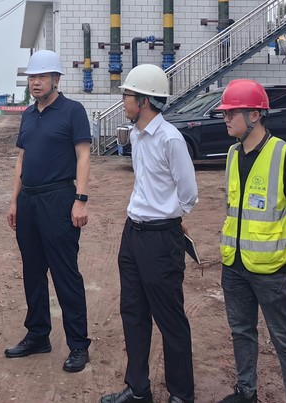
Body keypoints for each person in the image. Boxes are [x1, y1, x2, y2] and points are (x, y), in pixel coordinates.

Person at [100, 64, 198, 403]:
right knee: (133, 312)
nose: (123, 101)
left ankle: (181, 394)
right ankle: (138, 389)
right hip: (133, 234)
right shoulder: (137, 135)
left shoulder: (170, 139)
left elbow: (189, 193)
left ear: (143, 100)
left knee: (169, 318)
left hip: (160, 238)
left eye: (127, 95)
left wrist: (170, 217)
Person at [216, 79, 286, 403]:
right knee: (241, 332)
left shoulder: (284, 155)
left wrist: (278, 244)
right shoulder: (232, 154)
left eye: (232, 113)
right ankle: (246, 392)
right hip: (234, 263)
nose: (226, 118)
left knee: (284, 338)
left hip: (272, 269)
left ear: (255, 115)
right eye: (225, 113)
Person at [5, 50, 91, 374]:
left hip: (58, 199)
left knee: (65, 273)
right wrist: (14, 200)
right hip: (29, 200)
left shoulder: (73, 111)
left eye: (42, 76)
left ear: (56, 79)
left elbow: (83, 156)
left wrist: (80, 199)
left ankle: (79, 345)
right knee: (32, 271)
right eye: (32, 77)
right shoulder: (28, 115)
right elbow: (22, 159)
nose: (36, 82)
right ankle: (38, 335)